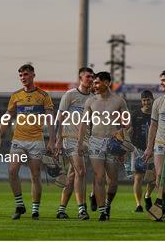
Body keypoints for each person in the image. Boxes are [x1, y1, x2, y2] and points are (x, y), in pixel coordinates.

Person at [0, 64, 55, 220]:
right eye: (21, 75)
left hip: (36, 141)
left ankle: (35, 209)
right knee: (12, 171)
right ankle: (20, 205)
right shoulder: (16, 96)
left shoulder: (43, 95)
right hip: (18, 140)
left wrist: (52, 140)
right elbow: (7, 117)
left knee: (35, 175)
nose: (23, 78)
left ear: (33, 75)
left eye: (26, 75)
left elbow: (50, 119)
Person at [77, 71, 131, 221]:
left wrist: (123, 141)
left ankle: (107, 204)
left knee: (112, 181)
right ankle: (102, 212)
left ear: (106, 83)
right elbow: (83, 124)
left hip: (113, 144)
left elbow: (127, 124)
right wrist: (80, 143)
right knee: (99, 177)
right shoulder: (91, 101)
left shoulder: (119, 101)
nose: (94, 85)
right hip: (95, 142)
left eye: (97, 82)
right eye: (93, 82)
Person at [55, 67, 94, 220]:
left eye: (92, 77)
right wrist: (58, 140)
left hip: (85, 140)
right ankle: (81, 209)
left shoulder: (93, 98)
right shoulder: (70, 95)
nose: (90, 79)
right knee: (81, 171)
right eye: (88, 77)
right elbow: (60, 118)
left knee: (72, 175)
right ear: (80, 78)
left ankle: (61, 209)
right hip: (70, 138)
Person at [144, 70, 165, 221]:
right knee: (160, 177)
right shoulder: (158, 102)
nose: (162, 83)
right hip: (160, 143)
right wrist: (149, 147)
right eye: (161, 81)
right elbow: (153, 126)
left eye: (164, 80)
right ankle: (161, 207)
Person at [129, 89, 155, 214]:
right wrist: (127, 144)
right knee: (138, 178)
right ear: (141, 101)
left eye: (148, 100)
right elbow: (130, 130)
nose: (146, 102)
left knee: (152, 178)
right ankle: (138, 204)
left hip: (153, 149)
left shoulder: (156, 114)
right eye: (144, 100)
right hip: (138, 149)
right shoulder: (135, 114)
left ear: (152, 99)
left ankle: (148, 195)